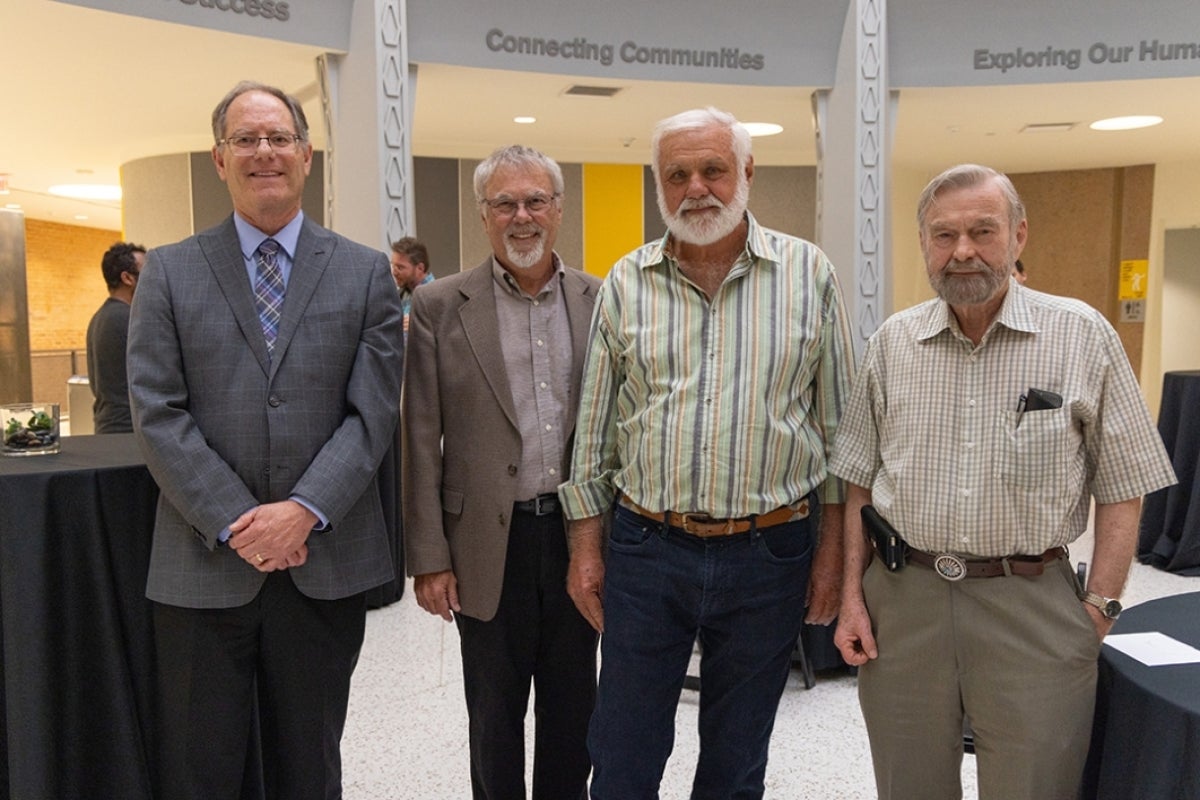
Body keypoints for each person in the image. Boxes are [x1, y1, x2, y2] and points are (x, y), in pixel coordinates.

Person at [830, 163, 1176, 800]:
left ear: (1019, 237)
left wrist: (1099, 606)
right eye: (943, 235)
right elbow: (855, 484)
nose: (962, 251)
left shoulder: (1081, 335)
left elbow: (1125, 484)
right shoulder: (891, 344)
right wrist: (853, 597)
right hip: (904, 605)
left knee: (1034, 786)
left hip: (1032, 603)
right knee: (908, 786)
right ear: (924, 246)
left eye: (982, 231)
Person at [559, 107, 855, 799]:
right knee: (624, 748)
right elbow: (595, 432)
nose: (697, 188)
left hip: (772, 552)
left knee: (737, 752)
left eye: (713, 170)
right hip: (646, 548)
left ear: (747, 173)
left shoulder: (809, 274)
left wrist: (834, 558)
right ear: (659, 186)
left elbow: (842, 433)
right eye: (678, 174)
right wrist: (584, 548)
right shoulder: (626, 281)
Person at [127, 80, 403, 800]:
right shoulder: (168, 270)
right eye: (245, 140)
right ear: (219, 159)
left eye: (279, 138)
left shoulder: (365, 272)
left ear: (307, 156)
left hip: (323, 560)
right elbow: (157, 411)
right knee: (201, 765)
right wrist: (239, 522)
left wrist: (302, 510)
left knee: (308, 763)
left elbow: (372, 413)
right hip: (202, 558)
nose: (264, 153)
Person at [402, 144, 601, 800]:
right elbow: (418, 435)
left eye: (535, 201)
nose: (523, 216)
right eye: (505, 203)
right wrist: (429, 556)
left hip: (578, 541)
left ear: (559, 210)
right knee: (494, 716)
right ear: (483, 215)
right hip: (487, 545)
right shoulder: (437, 307)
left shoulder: (600, 300)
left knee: (574, 716)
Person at [86, 241, 144, 433]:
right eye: (147, 272)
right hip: (127, 432)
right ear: (127, 278)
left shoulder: (100, 316)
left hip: (109, 428)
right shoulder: (129, 318)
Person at [390, 236, 434, 342]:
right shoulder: (401, 294)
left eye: (400, 267)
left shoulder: (436, 296)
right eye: (393, 266)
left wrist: (418, 326)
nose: (394, 272)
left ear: (420, 268)